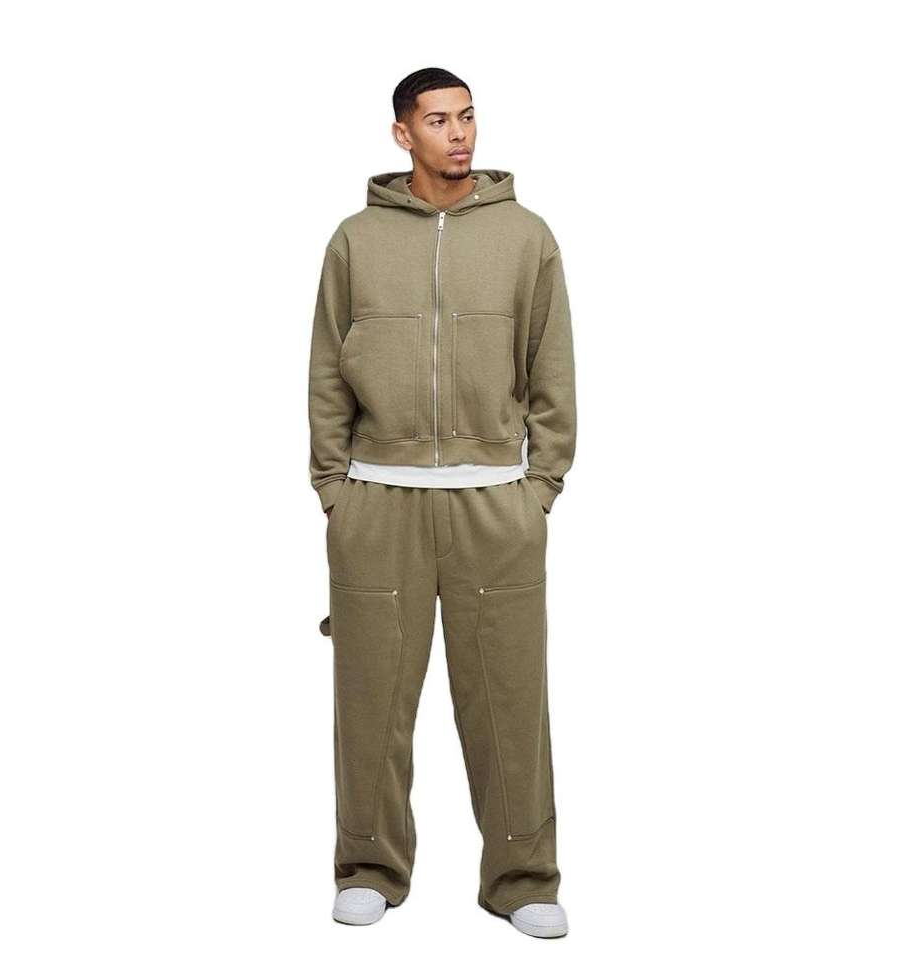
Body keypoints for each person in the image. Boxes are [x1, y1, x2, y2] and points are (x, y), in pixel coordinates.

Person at [307, 66, 577, 939]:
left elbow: (552, 368)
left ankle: (523, 879)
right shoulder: (355, 240)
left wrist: (540, 487)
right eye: (437, 120)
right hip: (377, 502)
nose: (458, 134)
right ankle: (369, 869)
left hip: (495, 504)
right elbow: (326, 371)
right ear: (403, 133)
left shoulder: (526, 237)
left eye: (466, 117)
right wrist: (334, 490)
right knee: (370, 704)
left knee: (509, 703)